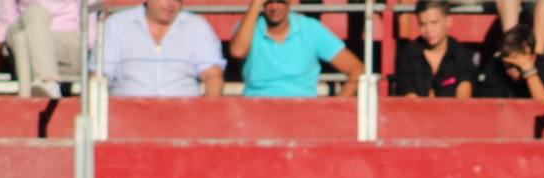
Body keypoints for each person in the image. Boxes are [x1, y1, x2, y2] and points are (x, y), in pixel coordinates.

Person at [231, 0, 364, 98]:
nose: (275, 7)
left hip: (303, 110)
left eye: (280, 1)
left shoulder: (311, 29)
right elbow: (237, 52)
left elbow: (357, 70)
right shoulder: (246, 28)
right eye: (269, 1)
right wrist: (255, 5)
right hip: (256, 108)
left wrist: (336, 106)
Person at [96, 0, 224, 97]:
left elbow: (213, 75)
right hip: (126, 115)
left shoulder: (197, 26)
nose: (170, 4)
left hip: (184, 115)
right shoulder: (117, 25)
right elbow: (99, 75)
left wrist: (208, 114)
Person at [0, 0, 81, 99]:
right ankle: (49, 83)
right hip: (22, 28)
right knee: (35, 13)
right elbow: (5, 19)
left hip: (65, 42)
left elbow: (91, 12)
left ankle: (27, 103)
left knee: (22, 39)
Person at [392, 0, 475, 97]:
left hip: (452, 111)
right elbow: (409, 97)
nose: (428, 30)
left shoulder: (461, 55)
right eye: (423, 24)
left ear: (448, 21)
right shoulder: (408, 54)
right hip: (417, 111)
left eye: (434, 23)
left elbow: (463, 100)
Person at [476, 24, 544, 99]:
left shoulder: (543, 65)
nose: (514, 71)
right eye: (509, 66)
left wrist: (528, 69)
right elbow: (490, 105)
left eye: (518, 66)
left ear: (533, 58)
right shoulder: (495, 66)